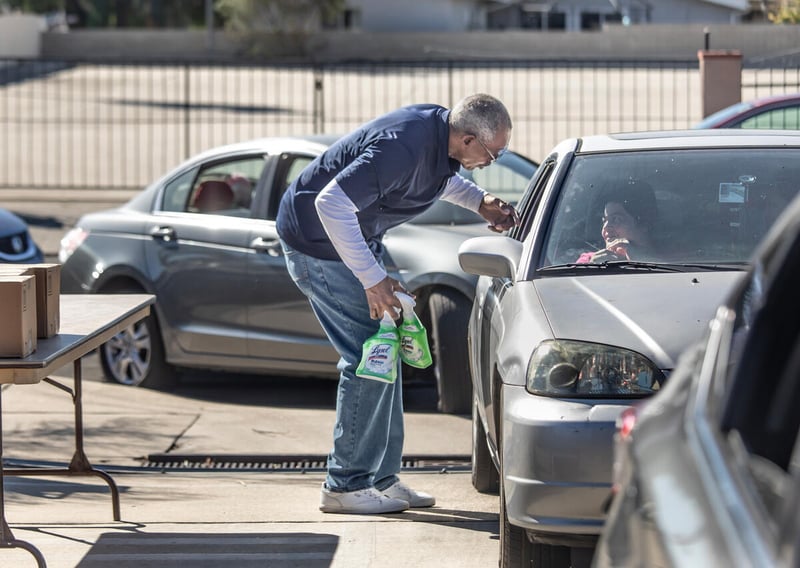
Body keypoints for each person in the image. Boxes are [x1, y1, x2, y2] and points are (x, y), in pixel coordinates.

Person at [275, 93, 520, 514]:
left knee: (388, 353)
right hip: (317, 245)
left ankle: (382, 480)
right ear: (466, 139)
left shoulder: (440, 141)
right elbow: (330, 204)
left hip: (353, 242)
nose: (491, 161)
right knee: (369, 357)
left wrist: (479, 202)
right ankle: (344, 484)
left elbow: (439, 181)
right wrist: (373, 280)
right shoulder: (401, 146)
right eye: (492, 154)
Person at [576, 181, 657, 264]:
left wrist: (643, 262)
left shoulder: (669, 260)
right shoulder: (587, 261)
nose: (606, 227)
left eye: (616, 219)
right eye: (604, 221)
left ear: (644, 224)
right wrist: (593, 269)